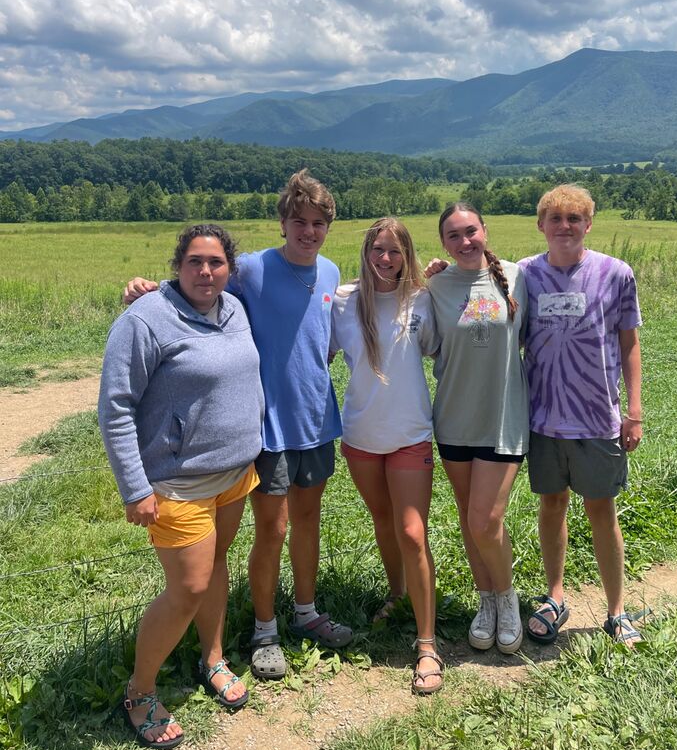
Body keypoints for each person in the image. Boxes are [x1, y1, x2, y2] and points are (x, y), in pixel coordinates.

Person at [123, 170, 352, 682]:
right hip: (265, 427)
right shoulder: (252, 268)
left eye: (318, 223)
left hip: (316, 419)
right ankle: (265, 629)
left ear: (329, 227)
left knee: (309, 522)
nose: (308, 231)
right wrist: (148, 289)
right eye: (299, 221)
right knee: (272, 529)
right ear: (283, 222)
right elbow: (202, 279)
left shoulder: (333, 273)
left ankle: (306, 611)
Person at [99, 225, 264, 750]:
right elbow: (116, 406)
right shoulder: (145, 319)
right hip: (176, 483)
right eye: (195, 261)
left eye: (216, 262)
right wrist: (134, 487)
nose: (206, 272)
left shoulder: (234, 309)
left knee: (216, 567)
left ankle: (212, 658)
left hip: (235, 474)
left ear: (229, 268)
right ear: (178, 264)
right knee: (188, 586)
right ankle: (140, 691)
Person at [519, 185, 644, 646]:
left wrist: (633, 411)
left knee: (601, 510)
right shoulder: (526, 275)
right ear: (541, 225)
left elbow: (630, 343)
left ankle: (617, 610)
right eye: (556, 218)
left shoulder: (615, 274)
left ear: (589, 224)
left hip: (597, 418)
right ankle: (555, 598)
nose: (565, 226)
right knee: (551, 505)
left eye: (575, 218)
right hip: (543, 419)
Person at [330, 218, 443, 695]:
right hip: (359, 434)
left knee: (412, 532)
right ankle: (398, 595)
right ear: (366, 250)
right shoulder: (340, 302)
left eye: (395, 251)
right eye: (378, 249)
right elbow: (311, 347)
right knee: (383, 521)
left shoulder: (422, 300)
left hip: (411, 433)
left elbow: (443, 348)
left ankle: (427, 643)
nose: (385, 259)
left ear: (407, 255)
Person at [427, 203, 529, 656]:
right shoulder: (435, 284)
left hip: (503, 419)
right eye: (453, 235)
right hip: (453, 419)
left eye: (471, 231)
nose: (464, 241)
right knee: (470, 519)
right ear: (443, 243)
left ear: (486, 230)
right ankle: (484, 601)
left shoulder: (520, 276)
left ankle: (507, 599)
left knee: (487, 520)